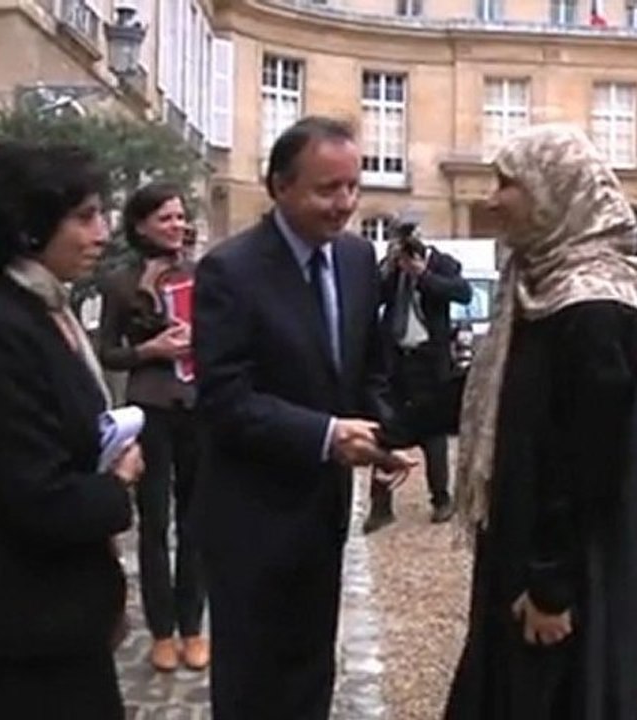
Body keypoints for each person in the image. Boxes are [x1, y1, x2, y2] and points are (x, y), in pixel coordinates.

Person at [191, 116, 414, 720]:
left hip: (322, 513)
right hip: (251, 519)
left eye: (352, 188)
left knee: (314, 670)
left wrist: (384, 435)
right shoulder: (229, 271)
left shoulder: (355, 259)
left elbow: (365, 370)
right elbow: (225, 398)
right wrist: (325, 436)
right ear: (278, 186)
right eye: (326, 189)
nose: (343, 204)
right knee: (253, 685)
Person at [0, 141, 144, 719]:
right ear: (30, 225)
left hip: (55, 613)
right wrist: (118, 484)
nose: (102, 232)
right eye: (85, 216)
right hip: (17, 623)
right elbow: (37, 497)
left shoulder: (44, 312)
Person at [446, 123, 637, 720]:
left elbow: (591, 462)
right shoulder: (536, 283)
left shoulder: (592, 304)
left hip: (564, 560)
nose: (492, 199)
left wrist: (551, 586)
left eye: (507, 183)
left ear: (553, 190)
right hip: (523, 538)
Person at [98, 182, 208, 673]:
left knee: (196, 522)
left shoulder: (202, 275)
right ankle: (162, 631)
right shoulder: (121, 283)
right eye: (165, 217)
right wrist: (150, 350)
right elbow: (107, 351)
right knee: (155, 524)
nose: (177, 225)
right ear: (141, 224)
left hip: (198, 407)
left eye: (180, 217)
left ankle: (193, 627)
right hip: (152, 408)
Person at [362, 217, 472, 534]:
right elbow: (373, 300)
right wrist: (389, 268)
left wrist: (423, 274)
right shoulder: (392, 269)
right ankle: (380, 507)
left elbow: (462, 293)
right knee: (385, 428)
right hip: (396, 358)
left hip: (429, 358)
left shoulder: (443, 263)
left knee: (433, 430)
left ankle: (441, 499)